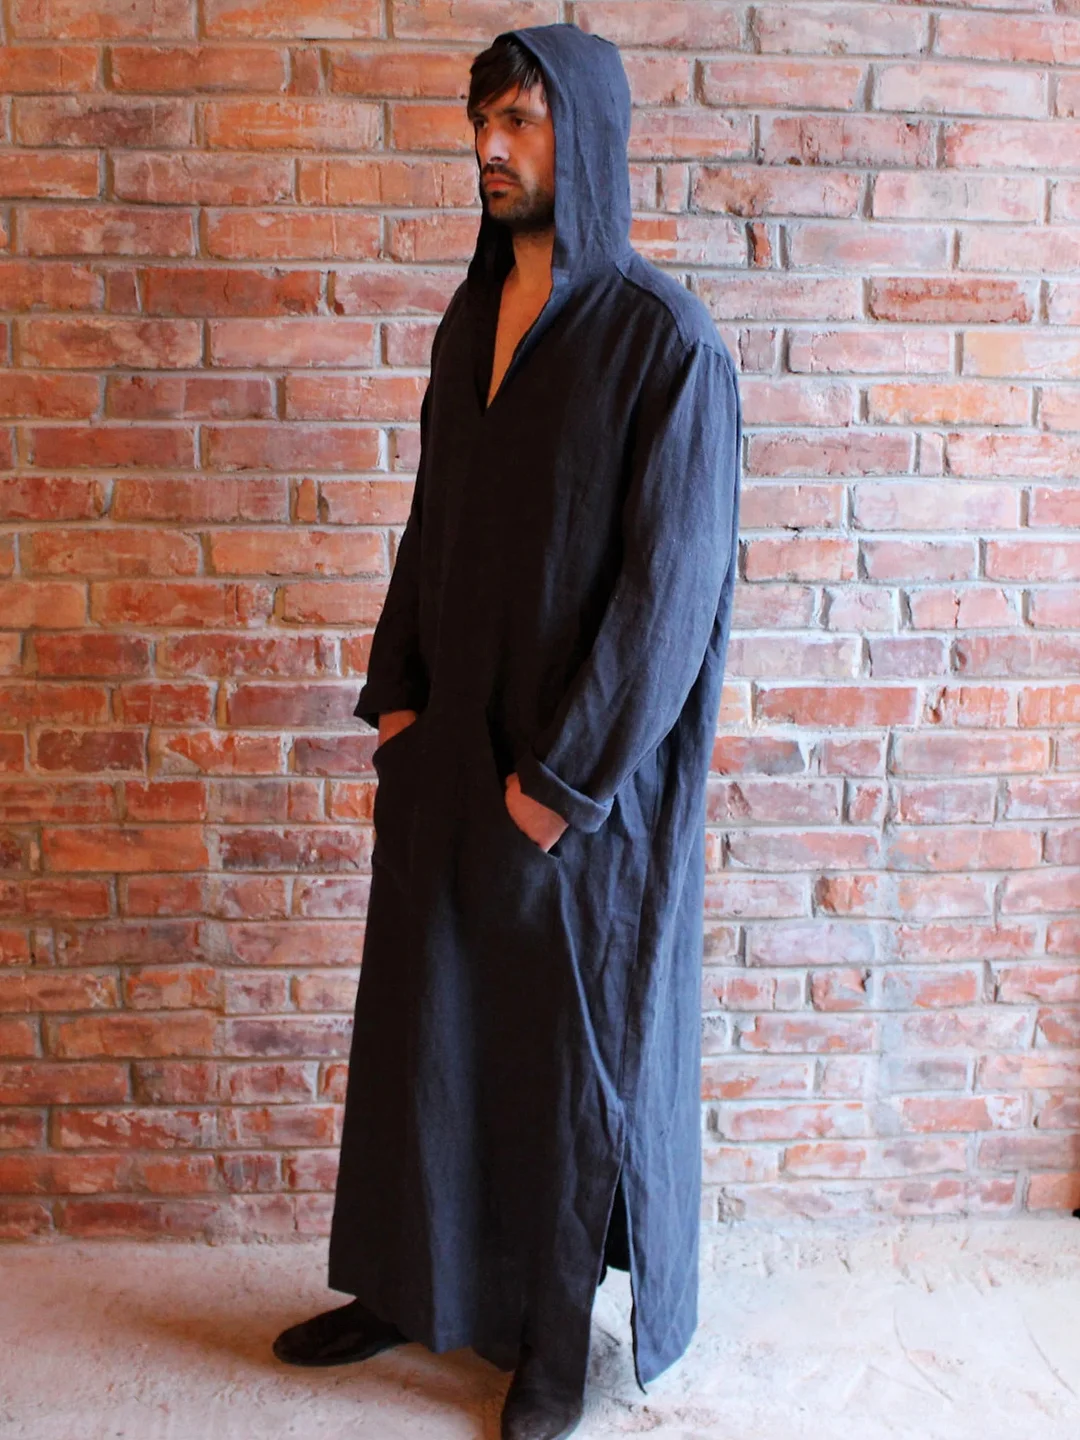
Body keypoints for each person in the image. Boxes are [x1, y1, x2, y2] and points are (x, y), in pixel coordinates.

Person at [272, 22, 742, 1440]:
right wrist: (402, 700)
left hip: (570, 798)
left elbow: (670, 601)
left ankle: (551, 1338)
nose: (488, 145)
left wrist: (562, 784)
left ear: (582, 135)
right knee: (424, 1028)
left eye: (521, 120)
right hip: (448, 752)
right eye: (481, 119)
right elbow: (432, 526)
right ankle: (407, 1287)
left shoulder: (667, 344)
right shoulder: (465, 325)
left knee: (556, 1067)